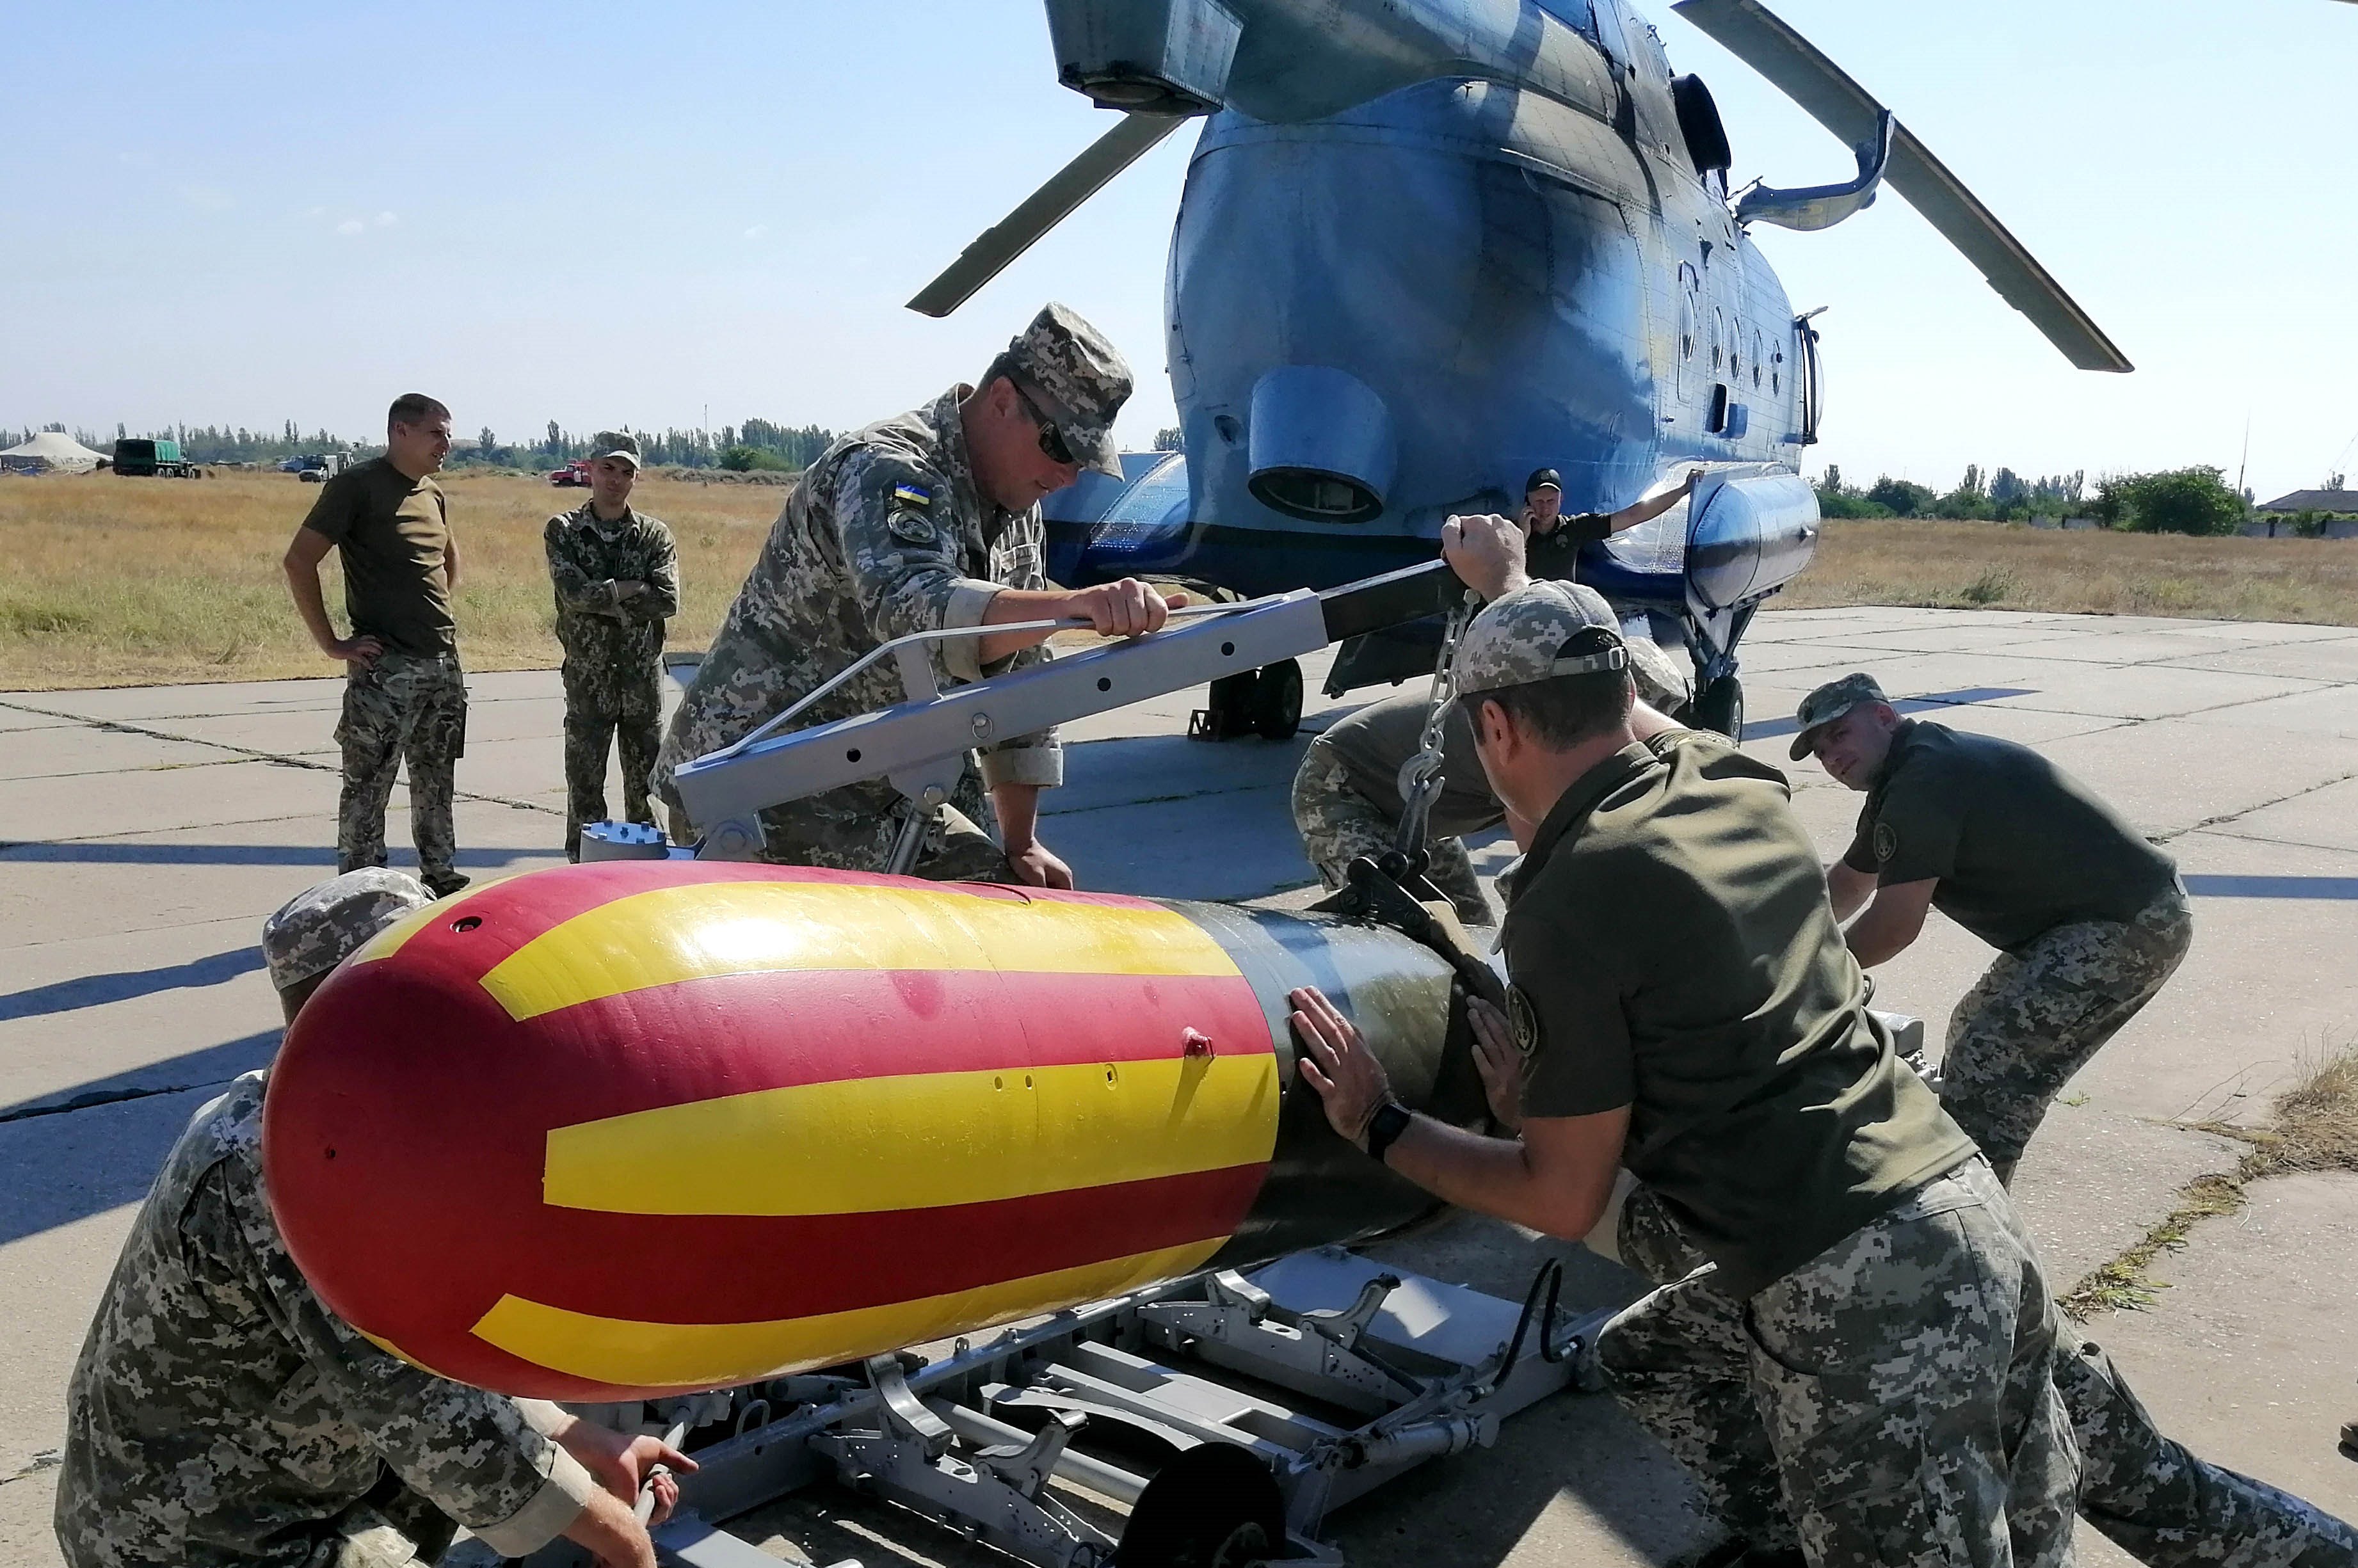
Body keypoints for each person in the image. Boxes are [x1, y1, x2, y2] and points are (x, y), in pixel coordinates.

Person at [1287, 513, 2076, 1568]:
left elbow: (1559, 1199)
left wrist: (1376, 1121)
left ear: (1496, 734)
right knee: (1649, 1353)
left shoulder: (1570, 900)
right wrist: (1521, 593)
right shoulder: (1732, 778)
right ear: (1625, 699)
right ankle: (1782, 1532)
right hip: (1960, 1207)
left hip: (1859, 1291)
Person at [56, 869, 693, 1568]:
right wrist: (617, 1533)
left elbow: (430, 1344)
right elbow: (421, 1408)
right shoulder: (281, 1170)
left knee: (459, 1495)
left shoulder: (350, 1124)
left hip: (280, 1483)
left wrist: (578, 1436)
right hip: (187, 1532)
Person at [655, 302, 1181, 885]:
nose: (1067, 477)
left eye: (1084, 461)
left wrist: (1022, 842)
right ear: (1003, 399)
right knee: (962, 923)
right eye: (1060, 448)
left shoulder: (1015, 507)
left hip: (890, 774)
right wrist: (1070, 607)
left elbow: (1024, 684)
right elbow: (916, 615)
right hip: (766, 777)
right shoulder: (888, 467)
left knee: (1007, 897)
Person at [1795, 673, 2195, 1184]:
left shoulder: (1927, 777)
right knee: (1971, 1028)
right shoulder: (1907, 771)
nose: (1831, 758)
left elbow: (1895, 925)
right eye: (1820, 751)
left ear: (1883, 716)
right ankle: (1960, 1197)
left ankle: (1973, 1233)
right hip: (2085, 925)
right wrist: (1787, 942)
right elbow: (1851, 884)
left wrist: (1815, 978)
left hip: (2124, 926)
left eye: (1839, 735)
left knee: (1992, 1072)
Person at [282, 394, 471, 899]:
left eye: (448, 434)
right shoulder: (355, 487)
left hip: (441, 664)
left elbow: (447, 564)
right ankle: (362, 897)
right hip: (385, 670)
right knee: (368, 788)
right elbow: (299, 561)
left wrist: (427, 617)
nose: (446, 444)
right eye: (436, 433)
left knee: (437, 782)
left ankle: (441, 881)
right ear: (400, 432)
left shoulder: (432, 493)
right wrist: (332, 643)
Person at [545, 432, 680, 860]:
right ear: (590, 468)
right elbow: (573, 596)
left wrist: (602, 596)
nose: (616, 480)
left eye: (626, 472)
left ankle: (644, 868)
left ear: (635, 478)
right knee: (585, 784)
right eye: (608, 468)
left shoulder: (654, 535)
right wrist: (629, 588)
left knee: (645, 787)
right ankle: (582, 865)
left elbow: (667, 600)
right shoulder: (564, 530)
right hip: (589, 677)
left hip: (641, 678)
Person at [1522, 465, 1704, 709]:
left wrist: (1682, 491)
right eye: (1539, 501)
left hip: (1562, 622)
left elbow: (1633, 515)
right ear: (1528, 502)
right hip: (1526, 621)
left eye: (1551, 501)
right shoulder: (1513, 533)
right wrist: (1521, 536)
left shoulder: (1574, 528)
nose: (1545, 509)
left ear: (1561, 500)